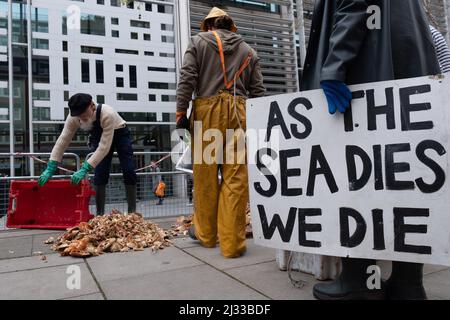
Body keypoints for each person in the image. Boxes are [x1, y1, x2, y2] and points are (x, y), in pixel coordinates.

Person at [300, 0, 441, 300]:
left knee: (356, 173)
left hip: (368, 68)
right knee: (403, 175)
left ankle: (358, 279)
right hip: (407, 62)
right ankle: (408, 283)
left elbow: (355, 6)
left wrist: (335, 66)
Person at [176, 7, 265, 258]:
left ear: (210, 26)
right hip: (240, 113)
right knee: (236, 180)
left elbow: (187, 79)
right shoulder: (249, 50)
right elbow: (258, 91)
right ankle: (232, 245)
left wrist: (180, 114)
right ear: (230, 26)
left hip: (207, 113)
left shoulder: (197, 42)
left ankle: (206, 235)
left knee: (205, 177)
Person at [38, 93, 137, 215]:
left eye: (84, 115)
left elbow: (104, 147)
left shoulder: (108, 114)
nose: (81, 119)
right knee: (100, 173)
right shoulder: (74, 116)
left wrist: (85, 168)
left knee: (128, 170)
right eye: (79, 116)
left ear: (92, 106)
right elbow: (63, 139)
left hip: (119, 132)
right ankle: (100, 215)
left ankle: (132, 213)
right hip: (99, 135)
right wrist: (51, 164)